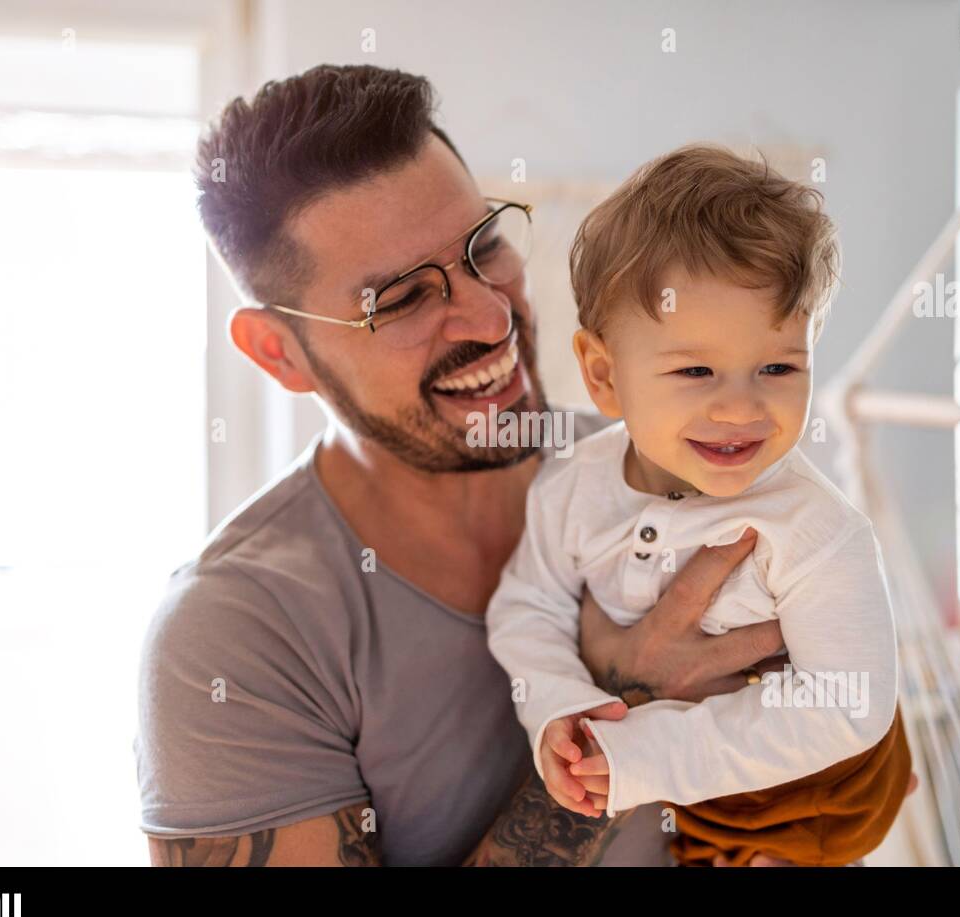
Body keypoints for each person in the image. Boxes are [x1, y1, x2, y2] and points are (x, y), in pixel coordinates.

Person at [133, 64, 902, 866]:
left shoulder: (672, 460)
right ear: (279, 353)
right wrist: (629, 702)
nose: (491, 313)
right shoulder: (234, 640)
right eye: (400, 299)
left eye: (485, 246)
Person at [487, 145, 912, 865]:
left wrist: (649, 752)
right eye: (695, 370)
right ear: (603, 375)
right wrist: (555, 704)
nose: (741, 406)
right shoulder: (572, 488)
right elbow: (526, 607)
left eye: (778, 367)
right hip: (691, 816)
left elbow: (847, 706)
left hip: (816, 804)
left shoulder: (815, 530)